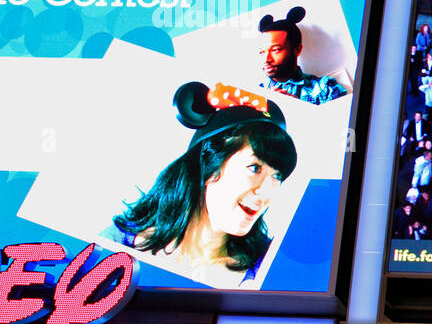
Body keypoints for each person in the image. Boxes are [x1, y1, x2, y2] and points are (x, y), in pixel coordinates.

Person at [108, 82, 296, 288]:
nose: (266, 191)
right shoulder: (114, 245)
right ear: (208, 165)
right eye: (254, 168)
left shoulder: (269, 272)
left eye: (276, 177)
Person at [257, 6, 347, 105]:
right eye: (262, 52)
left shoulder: (326, 88)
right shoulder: (255, 94)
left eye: (275, 50)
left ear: (297, 49)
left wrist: (300, 109)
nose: (266, 59)